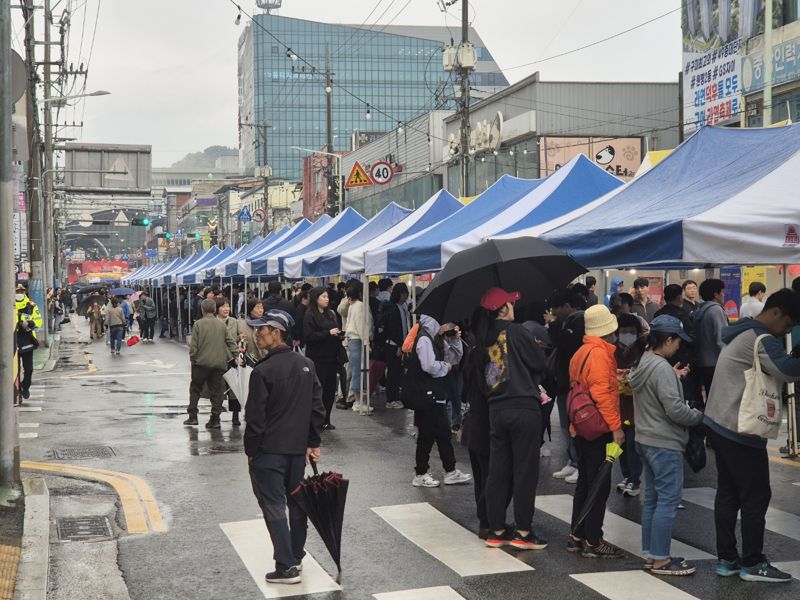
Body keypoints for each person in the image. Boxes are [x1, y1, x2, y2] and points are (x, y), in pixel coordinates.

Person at [704, 289, 800, 583]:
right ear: (775, 313)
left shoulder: (739, 333)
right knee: (756, 494)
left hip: (719, 422)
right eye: (787, 324)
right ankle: (753, 562)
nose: (787, 330)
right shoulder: (760, 339)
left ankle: (727, 560)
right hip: (739, 429)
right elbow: (788, 370)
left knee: (729, 492)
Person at [245, 309, 325, 585]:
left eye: (261, 330)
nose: (257, 335)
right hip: (296, 450)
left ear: (276, 333)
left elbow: (255, 418)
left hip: (268, 451)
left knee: (274, 506)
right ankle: (296, 556)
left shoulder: (263, 371)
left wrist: (251, 451)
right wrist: (313, 442)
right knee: (296, 502)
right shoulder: (306, 365)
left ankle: (286, 565)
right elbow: (317, 408)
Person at [472, 288, 548, 551]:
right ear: (503, 309)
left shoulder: (482, 338)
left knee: (498, 471)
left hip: (496, 409)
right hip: (523, 407)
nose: (514, 307)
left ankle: (497, 529)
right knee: (525, 471)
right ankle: (524, 531)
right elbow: (541, 364)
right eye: (511, 303)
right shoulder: (517, 332)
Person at [629, 314, 702, 576]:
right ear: (668, 339)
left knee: (652, 500)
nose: (679, 346)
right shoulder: (661, 368)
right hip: (664, 442)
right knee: (668, 501)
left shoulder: (644, 362)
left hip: (644, 439)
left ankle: (651, 554)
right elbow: (674, 410)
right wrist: (697, 416)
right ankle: (661, 559)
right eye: (677, 341)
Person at [568, 304, 625, 559]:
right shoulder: (601, 354)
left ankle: (577, 534)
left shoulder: (580, 352)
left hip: (580, 426)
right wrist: (616, 428)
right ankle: (593, 539)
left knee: (585, 482)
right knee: (599, 484)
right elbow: (602, 395)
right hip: (598, 427)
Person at [407, 314, 471, 488]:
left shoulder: (435, 338)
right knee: (429, 434)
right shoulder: (425, 339)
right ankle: (421, 473)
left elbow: (454, 358)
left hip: (434, 393)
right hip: (425, 394)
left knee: (441, 433)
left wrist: (454, 339)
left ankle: (449, 471)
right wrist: (445, 367)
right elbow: (429, 366)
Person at [548, 290, 585, 484]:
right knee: (565, 425)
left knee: (575, 424)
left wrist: (553, 325)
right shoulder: (566, 323)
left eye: (556, 307)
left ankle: (580, 464)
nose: (553, 312)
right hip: (563, 382)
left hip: (575, 382)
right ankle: (572, 460)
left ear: (567, 306)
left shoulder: (579, 322)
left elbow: (565, 343)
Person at [184, 299, 237, 429]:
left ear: (202, 310)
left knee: (195, 389)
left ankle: (193, 416)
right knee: (216, 392)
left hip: (201, 363)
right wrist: (236, 355)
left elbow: (193, 346)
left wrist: (193, 360)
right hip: (219, 363)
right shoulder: (222, 325)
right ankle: (215, 419)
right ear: (214, 310)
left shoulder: (198, 325)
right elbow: (231, 342)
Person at [614, 313, 646, 498]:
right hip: (618, 404)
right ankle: (626, 475)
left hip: (635, 405)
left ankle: (635, 479)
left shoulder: (642, 351)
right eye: (624, 332)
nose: (628, 335)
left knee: (633, 443)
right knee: (621, 444)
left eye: (632, 332)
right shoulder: (613, 351)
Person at [303, 287, 342, 430]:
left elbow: (334, 329)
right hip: (317, 358)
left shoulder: (331, 314)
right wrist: (327, 333)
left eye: (327, 297)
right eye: (323, 297)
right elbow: (309, 337)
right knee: (318, 389)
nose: (327, 299)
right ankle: (315, 420)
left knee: (330, 390)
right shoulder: (310, 315)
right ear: (316, 298)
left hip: (332, 357)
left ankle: (326, 419)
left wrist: (338, 334)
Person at [693, 278, 728, 403]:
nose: (723, 294)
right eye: (722, 292)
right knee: (718, 400)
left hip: (703, 362)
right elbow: (722, 338)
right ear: (715, 294)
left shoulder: (700, 310)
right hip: (716, 362)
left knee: (710, 397)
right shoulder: (716, 310)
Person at [341, 281, 372, 414]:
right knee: (358, 371)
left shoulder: (353, 305)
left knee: (356, 370)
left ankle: (357, 400)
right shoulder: (359, 306)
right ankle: (358, 402)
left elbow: (349, 324)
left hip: (352, 340)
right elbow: (361, 325)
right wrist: (366, 342)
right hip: (358, 340)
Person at [384, 283, 412, 410]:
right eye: (402, 293)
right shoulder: (393, 308)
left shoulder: (404, 307)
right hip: (394, 345)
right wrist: (399, 346)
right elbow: (394, 329)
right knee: (393, 372)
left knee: (398, 372)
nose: (404, 296)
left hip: (403, 344)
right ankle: (391, 399)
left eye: (406, 293)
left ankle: (396, 397)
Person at [217, 297, 243, 426]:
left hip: (233, 359)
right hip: (218, 359)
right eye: (223, 306)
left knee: (234, 389)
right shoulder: (214, 322)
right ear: (217, 308)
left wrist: (240, 338)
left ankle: (236, 415)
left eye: (228, 306)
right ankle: (216, 415)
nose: (226, 309)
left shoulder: (234, 322)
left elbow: (238, 338)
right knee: (218, 388)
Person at [15, 284, 43, 400]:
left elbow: (38, 321)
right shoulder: (6, 304)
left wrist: (30, 324)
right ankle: (14, 389)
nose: (20, 293)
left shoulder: (31, 305)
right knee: (13, 370)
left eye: (22, 291)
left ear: (25, 292)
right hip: (12, 341)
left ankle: (25, 387)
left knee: (29, 368)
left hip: (27, 340)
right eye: (17, 291)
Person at [239, 298, 268, 364]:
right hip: (248, 361)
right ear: (251, 309)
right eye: (258, 308)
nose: (260, 310)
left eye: (262, 308)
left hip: (263, 360)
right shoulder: (241, 324)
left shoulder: (265, 324)